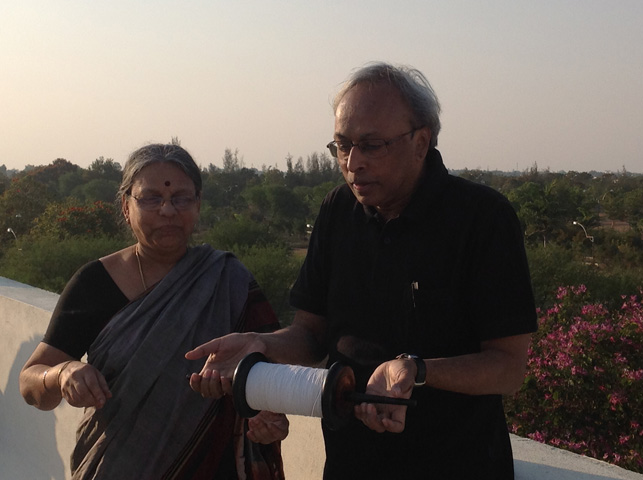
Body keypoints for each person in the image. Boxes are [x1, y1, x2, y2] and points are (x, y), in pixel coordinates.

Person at [186, 62, 538, 479]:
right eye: (342, 145)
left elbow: (507, 368)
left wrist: (416, 369)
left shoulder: (482, 218)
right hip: (350, 463)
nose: (353, 163)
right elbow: (311, 335)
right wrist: (261, 346)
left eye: (371, 145)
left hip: (458, 464)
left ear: (421, 142)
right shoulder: (339, 210)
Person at [19, 143, 287, 479]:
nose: (168, 210)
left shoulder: (229, 280)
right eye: (150, 199)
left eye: (182, 198)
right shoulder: (94, 284)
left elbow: (274, 369)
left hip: (216, 465)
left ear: (198, 203)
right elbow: (31, 384)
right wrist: (62, 374)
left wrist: (270, 416)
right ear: (126, 206)